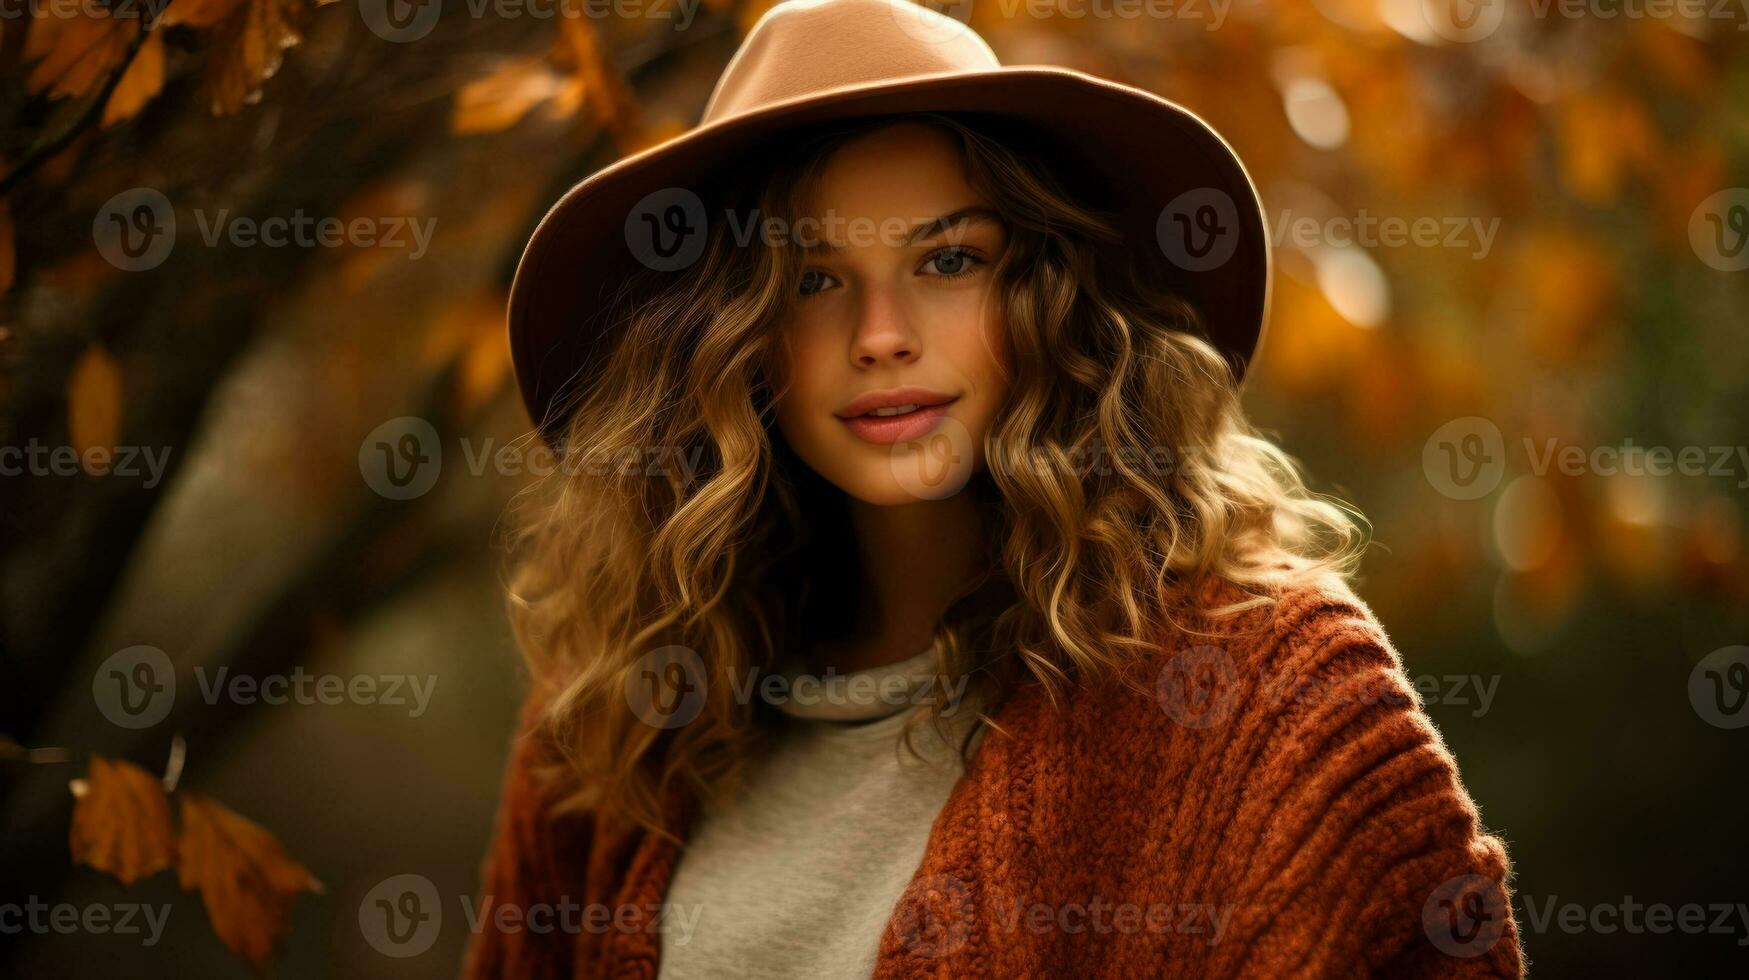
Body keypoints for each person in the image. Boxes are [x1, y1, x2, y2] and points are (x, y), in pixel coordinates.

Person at [465, 0, 1524, 976]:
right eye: (813, 279)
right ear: (726, 338)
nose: (881, 337)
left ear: (1056, 293)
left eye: (949, 261)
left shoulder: (1268, 686)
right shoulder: (610, 722)